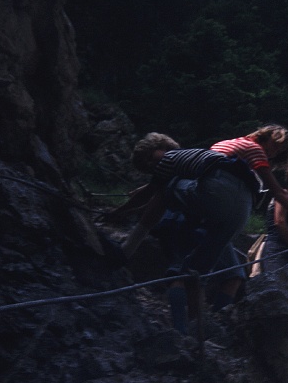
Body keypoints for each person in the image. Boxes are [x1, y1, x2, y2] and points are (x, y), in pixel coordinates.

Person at [105, 132, 264, 335]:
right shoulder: (195, 161)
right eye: (148, 167)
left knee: (165, 190)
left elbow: (154, 191)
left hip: (219, 187)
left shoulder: (171, 157)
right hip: (244, 206)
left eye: (150, 158)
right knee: (197, 273)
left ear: (163, 147)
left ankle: (127, 249)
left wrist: (119, 211)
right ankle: (199, 334)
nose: (152, 165)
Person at [208, 125, 288, 298]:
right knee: (269, 289)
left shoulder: (228, 144)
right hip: (276, 248)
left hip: (212, 204)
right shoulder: (254, 149)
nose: (273, 153)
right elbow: (279, 215)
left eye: (279, 151)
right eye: (276, 146)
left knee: (230, 276)